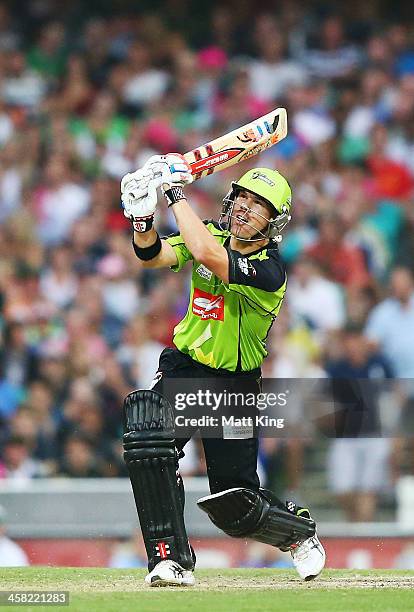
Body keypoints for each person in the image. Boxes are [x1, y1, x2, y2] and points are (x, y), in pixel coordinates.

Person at [120, 154, 325, 586]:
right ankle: (170, 559)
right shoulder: (210, 233)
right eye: (243, 198)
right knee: (148, 442)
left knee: (237, 505)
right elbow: (153, 257)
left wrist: (174, 192)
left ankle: (299, 533)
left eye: (259, 205)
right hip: (184, 367)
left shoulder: (270, 271)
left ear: (274, 222)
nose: (246, 208)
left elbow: (209, 256)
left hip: (234, 385)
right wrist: (141, 219)